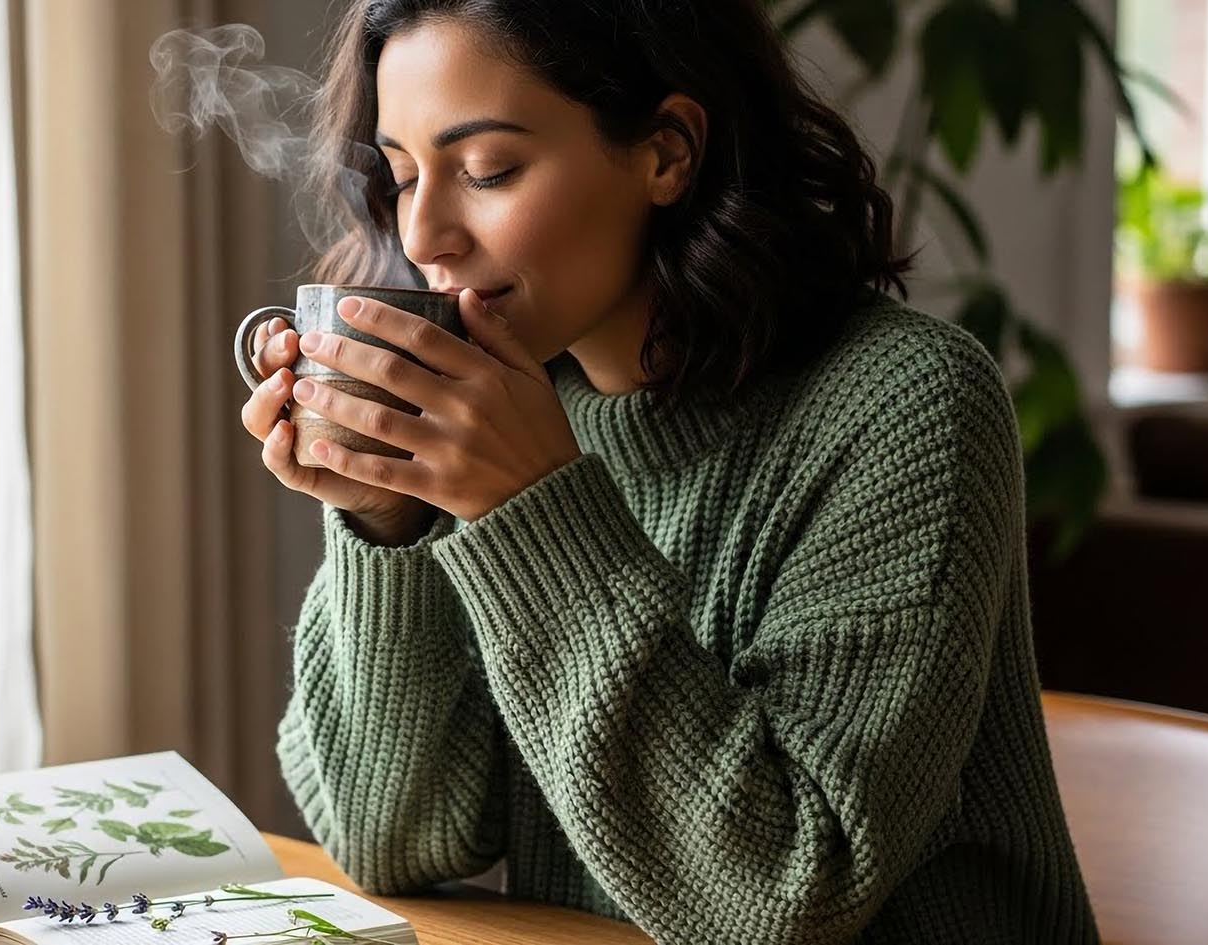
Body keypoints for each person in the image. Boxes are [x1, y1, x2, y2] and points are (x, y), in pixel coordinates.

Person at [236, 1, 1098, 942]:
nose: (425, 234)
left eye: (489, 170)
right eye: (404, 177)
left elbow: (788, 892)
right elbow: (388, 841)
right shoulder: (512, 407)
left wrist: (531, 509)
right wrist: (390, 522)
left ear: (665, 152)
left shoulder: (907, 403)